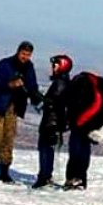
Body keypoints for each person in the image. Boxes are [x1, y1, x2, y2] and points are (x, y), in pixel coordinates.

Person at [0, 41, 43, 183]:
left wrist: (37, 97)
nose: (25, 57)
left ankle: (4, 172)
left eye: (28, 55)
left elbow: (32, 85)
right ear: (18, 51)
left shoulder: (29, 67)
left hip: (14, 107)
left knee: (8, 138)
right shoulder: (5, 64)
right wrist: (10, 84)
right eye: (23, 54)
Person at [32, 54, 73, 189]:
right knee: (46, 148)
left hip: (51, 122)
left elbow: (52, 103)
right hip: (54, 122)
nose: (53, 68)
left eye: (55, 65)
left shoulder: (60, 84)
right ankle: (45, 176)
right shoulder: (63, 82)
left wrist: (38, 96)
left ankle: (44, 177)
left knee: (45, 149)